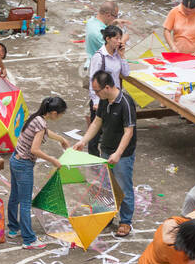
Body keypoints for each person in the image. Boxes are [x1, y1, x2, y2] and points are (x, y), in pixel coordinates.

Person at [76, 71, 137, 237]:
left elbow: (128, 132)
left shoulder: (125, 102)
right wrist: (84, 140)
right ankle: (105, 216)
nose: (96, 94)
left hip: (122, 155)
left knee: (123, 187)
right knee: (104, 186)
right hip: (106, 150)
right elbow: (97, 122)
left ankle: (125, 222)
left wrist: (118, 153)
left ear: (108, 87)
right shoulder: (104, 100)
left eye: (97, 91)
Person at [8, 97, 71, 249]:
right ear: (54, 113)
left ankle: (12, 228)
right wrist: (53, 160)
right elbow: (34, 150)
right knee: (25, 202)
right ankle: (29, 240)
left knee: (15, 196)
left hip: (15, 159)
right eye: (60, 114)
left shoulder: (36, 118)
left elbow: (45, 132)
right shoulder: (41, 124)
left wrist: (60, 138)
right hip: (24, 164)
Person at [87, 24, 128, 116]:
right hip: (103, 99)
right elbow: (92, 80)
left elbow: (126, 73)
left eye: (120, 38)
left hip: (115, 97)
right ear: (108, 39)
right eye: (116, 38)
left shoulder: (118, 55)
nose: (119, 41)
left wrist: (122, 56)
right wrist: (96, 101)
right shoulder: (99, 57)